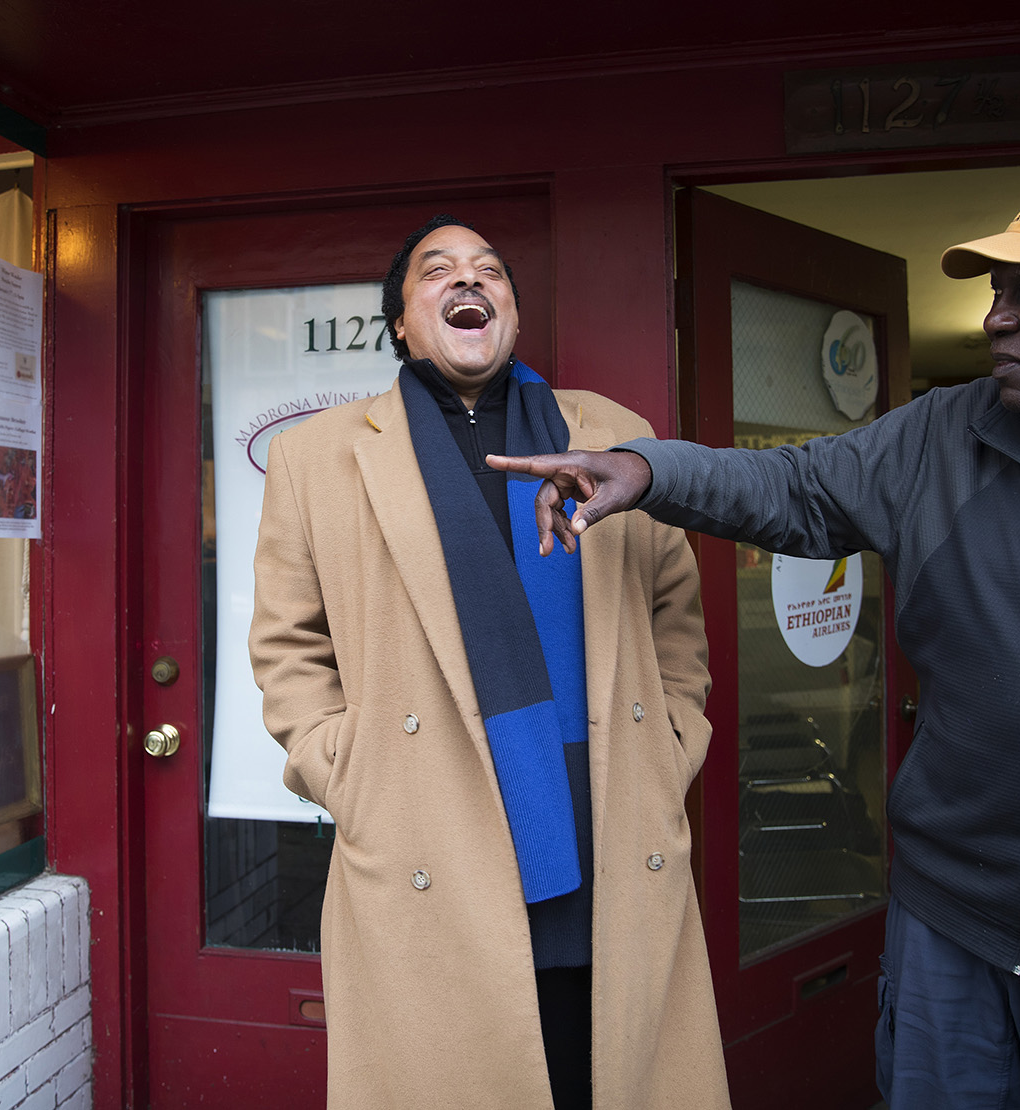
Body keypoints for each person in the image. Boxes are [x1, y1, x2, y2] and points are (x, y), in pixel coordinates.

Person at [489, 182, 1020, 1109]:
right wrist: (647, 468)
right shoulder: (947, 430)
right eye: (995, 293)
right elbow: (798, 488)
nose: (996, 320)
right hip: (950, 943)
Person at [249, 215, 731, 1109]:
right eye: (437, 270)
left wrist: (670, 744)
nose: (468, 281)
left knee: (608, 1070)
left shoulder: (615, 435)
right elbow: (288, 646)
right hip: (424, 828)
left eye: (490, 272)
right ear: (401, 320)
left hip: (607, 818)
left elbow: (675, 612)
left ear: (508, 310)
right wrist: (348, 771)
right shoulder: (315, 457)